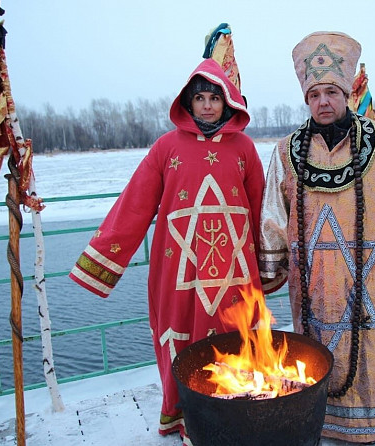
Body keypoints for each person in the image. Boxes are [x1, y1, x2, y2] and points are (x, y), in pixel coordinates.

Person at [258, 31, 375, 444]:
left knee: (373, 354)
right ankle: (316, 418)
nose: (323, 102)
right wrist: (271, 269)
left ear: (345, 92)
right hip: (314, 288)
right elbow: (274, 214)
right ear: (306, 100)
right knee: (315, 350)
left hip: (373, 282)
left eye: (331, 92)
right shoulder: (286, 151)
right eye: (314, 95)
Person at [69, 57, 265, 443]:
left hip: (234, 266)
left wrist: (273, 260)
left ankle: (240, 409)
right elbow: (136, 202)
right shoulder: (165, 147)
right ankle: (184, 416)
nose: (208, 105)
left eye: (215, 97)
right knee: (181, 337)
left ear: (228, 103)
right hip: (179, 267)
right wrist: (101, 261)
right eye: (200, 98)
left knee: (237, 333)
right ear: (187, 103)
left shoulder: (244, 148)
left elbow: (260, 206)